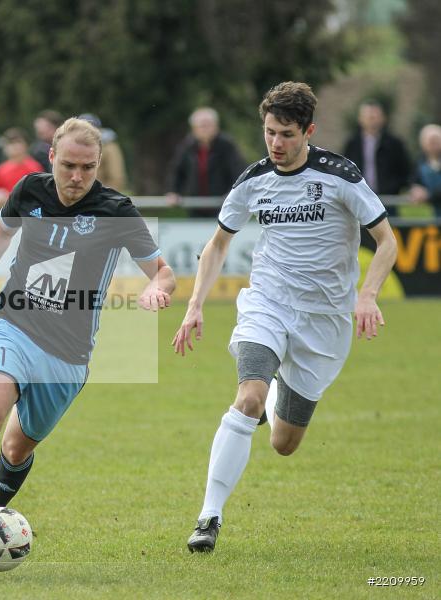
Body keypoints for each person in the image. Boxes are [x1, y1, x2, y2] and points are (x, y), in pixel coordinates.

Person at [0, 117, 175, 565]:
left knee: (17, 449)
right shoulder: (29, 190)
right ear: (51, 157)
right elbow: (1, 229)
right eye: (69, 165)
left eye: (88, 168)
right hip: (14, 324)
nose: (77, 177)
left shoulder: (116, 210)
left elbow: (164, 272)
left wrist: (157, 288)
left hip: (68, 355)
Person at [172, 82, 397, 553]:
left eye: (287, 134)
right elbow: (217, 245)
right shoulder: (253, 179)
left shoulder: (341, 175)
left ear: (308, 131)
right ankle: (208, 518)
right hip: (268, 302)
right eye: (269, 132)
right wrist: (194, 306)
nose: (276, 143)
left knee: (283, 442)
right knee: (247, 398)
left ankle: (276, 391)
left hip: (325, 320)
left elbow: (387, 240)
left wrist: (368, 295)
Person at [166, 107, 246, 218]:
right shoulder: (187, 146)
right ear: (194, 129)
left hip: (223, 205)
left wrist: (232, 193)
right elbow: (177, 170)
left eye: (208, 125)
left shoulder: (226, 145)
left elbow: (238, 170)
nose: (205, 129)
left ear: (216, 126)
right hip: (195, 205)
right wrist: (173, 192)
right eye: (201, 126)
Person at [342, 100, 411, 216]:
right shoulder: (352, 144)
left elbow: (406, 170)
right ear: (360, 119)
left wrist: (394, 187)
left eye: (375, 116)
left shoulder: (394, 144)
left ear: (383, 118)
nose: (371, 119)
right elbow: (344, 169)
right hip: (360, 198)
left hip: (388, 201)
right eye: (368, 116)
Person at [0, 128, 44, 209]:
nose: (14, 146)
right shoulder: (0, 170)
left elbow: (38, 194)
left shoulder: (35, 167)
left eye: (18, 142)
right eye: (10, 143)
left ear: (26, 145)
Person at [78, 113, 127, 191]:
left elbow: (116, 177)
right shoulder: (75, 146)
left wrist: (105, 197)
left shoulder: (109, 147)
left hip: (98, 196)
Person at [409, 123, 441, 216]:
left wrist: (429, 195)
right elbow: (413, 180)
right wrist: (416, 189)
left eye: (436, 140)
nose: (433, 144)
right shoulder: (420, 162)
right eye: (430, 141)